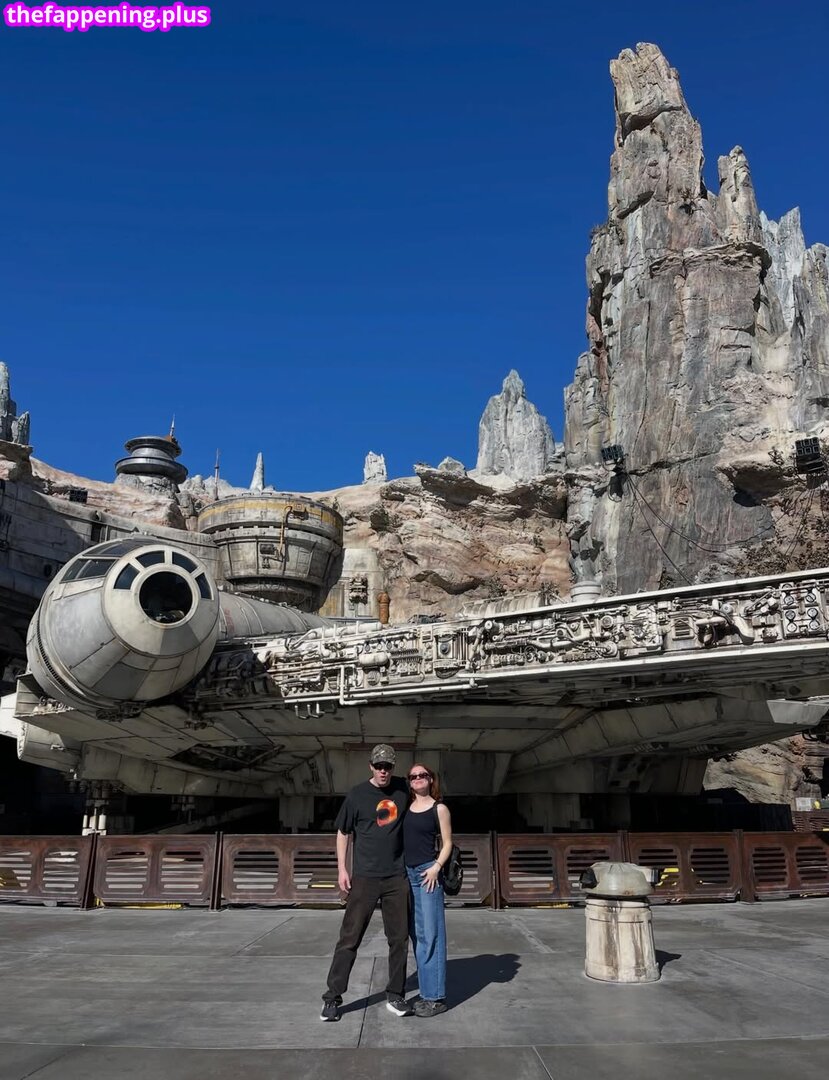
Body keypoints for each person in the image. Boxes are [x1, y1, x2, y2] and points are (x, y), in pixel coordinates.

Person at [320, 743, 412, 1021]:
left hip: (396, 876)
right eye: (379, 766)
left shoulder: (403, 788)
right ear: (371, 766)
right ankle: (332, 998)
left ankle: (396, 995)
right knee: (349, 939)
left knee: (399, 940)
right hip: (365, 877)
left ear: (393, 767)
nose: (383, 771)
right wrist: (342, 869)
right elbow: (343, 832)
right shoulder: (357, 794)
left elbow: (427, 799)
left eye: (388, 766)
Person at [403, 762, 452, 1017]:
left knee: (432, 934)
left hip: (427, 874)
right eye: (413, 777)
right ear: (409, 782)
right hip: (408, 874)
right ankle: (426, 992)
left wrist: (436, 867)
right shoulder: (406, 807)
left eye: (423, 775)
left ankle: (435, 998)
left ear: (431, 779)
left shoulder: (439, 808)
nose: (418, 779)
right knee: (418, 934)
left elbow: (448, 843)